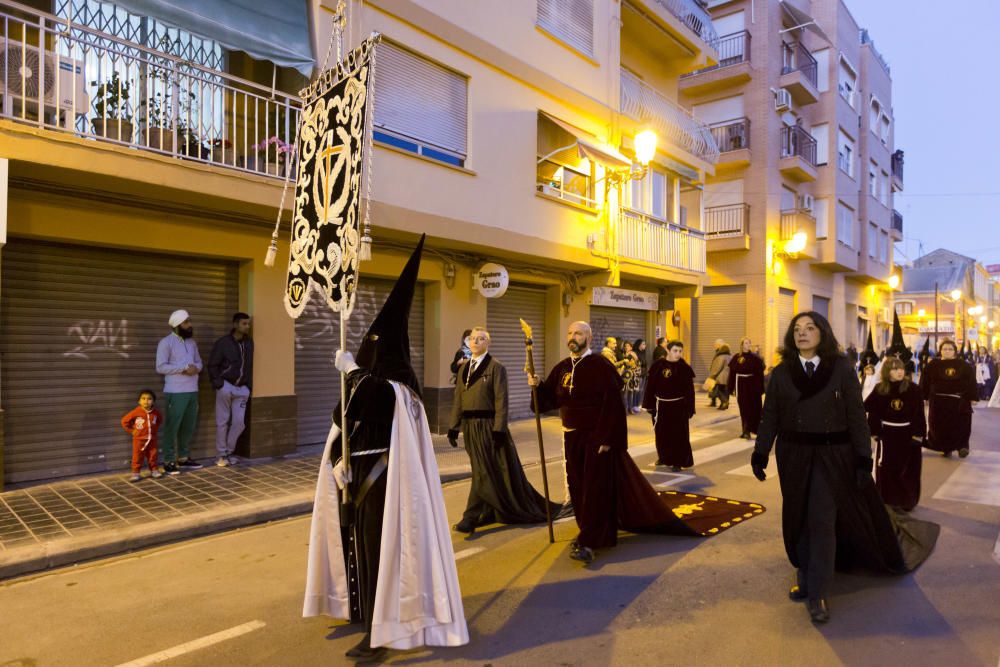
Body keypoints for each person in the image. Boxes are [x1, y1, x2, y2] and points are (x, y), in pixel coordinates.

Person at [303, 236, 467, 661]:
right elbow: (344, 417)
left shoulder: (401, 386)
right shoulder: (370, 381)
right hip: (355, 476)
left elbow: (379, 401)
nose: (366, 354)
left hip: (385, 481)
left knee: (381, 552)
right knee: (356, 545)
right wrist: (338, 460)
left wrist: (355, 372)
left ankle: (382, 633)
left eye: (372, 349)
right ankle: (360, 608)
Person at [750, 311, 939, 624]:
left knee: (822, 519)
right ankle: (805, 573)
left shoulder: (840, 368)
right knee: (797, 515)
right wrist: (760, 452)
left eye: (810, 328)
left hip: (833, 455)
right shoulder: (782, 373)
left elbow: (855, 416)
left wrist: (864, 458)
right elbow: (770, 415)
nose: (802, 333)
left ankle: (818, 591)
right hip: (793, 455)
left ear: (823, 333)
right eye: (797, 329)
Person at [528, 322, 766, 564]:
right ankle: (585, 528)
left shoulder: (600, 365)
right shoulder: (563, 368)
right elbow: (547, 400)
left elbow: (613, 406)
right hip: (571, 437)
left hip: (595, 437)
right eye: (569, 333)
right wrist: (536, 387)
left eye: (578, 333)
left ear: (588, 338)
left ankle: (591, 541)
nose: (572, 337)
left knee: (595, 490)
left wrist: (608, 438)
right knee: (578, 486)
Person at [447, 327, 561, 534]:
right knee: (484, 469)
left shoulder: (496, 367)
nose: (475, 342)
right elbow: (458, 399)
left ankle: (470, 517)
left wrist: (499, 429)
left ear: (487, 343)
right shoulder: (464, 368)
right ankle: (490, 510)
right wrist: (453, 427)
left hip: (489, 426)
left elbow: (501, 400)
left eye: (480, 339)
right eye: (472, 339)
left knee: (482, 471)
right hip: (470, 428)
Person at [864, 358, 926, 512]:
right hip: (888, 435)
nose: (899, 371)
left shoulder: (913, 389)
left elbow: (919, 414)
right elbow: (872, 411)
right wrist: (875, 431)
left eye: (900, 368)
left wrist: (918, 435)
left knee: (908, 469)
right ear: (887, 372)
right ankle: (888, 499)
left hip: (908, 434)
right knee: (887, 468)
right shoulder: (880, 389)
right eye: (894, 369)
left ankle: (907, 500)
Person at [156, 310, 204, 475]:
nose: (190, 325)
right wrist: (183, 369)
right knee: (172, 426)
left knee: (188, 427)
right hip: (175, 392)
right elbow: (160, 367)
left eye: (189, 321)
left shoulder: (192, 343)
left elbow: (199, 362)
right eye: (186, 322)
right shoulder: (166, 343)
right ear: (177, 325)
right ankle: (169, 460)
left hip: (192, 391)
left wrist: (196, 368)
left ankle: (183, 458)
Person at [208, 312, 254, 467]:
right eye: (244, 324)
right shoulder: (223, 343)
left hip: (242, 390)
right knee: (222, 422)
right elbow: (212, 365)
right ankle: (221, 455)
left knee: (239, 423)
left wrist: (248, 386)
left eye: (248, 324)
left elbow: (248, 366)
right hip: (226, 387)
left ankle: (228, 451)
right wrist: (219, 384)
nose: (247, 327)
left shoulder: (249, 343)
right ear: (235, 324)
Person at [920, 339, 979, 459]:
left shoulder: (963, 365)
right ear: (940, 351)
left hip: (959, 401)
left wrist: (973, 397)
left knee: (961, 425)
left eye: (950, 349)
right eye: (944, 349)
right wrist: (923, 396)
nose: (947, 351)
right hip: (938, 402)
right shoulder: (933, 365)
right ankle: (944, 448)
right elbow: (924, 382)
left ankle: (962, 446)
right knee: (939, 427)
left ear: (955, 351)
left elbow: (972, 381)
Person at [642, 340, 695, 471]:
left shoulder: (684, 368)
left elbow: (689, 390)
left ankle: (678, 461)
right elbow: (650, 387)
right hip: (661, 405)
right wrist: (649, 404)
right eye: (675, 351)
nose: (678, 354)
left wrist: (690, 408)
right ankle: (664, 457)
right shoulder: (658, 366)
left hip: (678, 406)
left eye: (680, 351)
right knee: (661, 433)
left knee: (678, 435)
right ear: (668, 351)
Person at [120, 389, 163, 482]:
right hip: (139, 439)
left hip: (152, 439)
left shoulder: (156, 413)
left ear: (153, 401)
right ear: (139, 401)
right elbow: (124, 421)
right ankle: (136, 473)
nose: (146, 401)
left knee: (153, 455)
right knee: (137, 456)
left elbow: (159, 420)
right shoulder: (136, 412)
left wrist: (154, 429)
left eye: (149, 399)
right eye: (143, 398)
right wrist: (132, 431)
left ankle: (154, 470)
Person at [728, 337, 765, 440]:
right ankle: (745, 430)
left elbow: (760, 374)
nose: (748, 344)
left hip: (752, 385)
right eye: (746, 343)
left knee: (753, 408)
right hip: (741, 385)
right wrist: (730, 388)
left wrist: (760, 389)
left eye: (749, 343)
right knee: (743, 408)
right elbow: (732, 374)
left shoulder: (755, 358)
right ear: (742, 345)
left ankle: (755, 429)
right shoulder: (737, 357)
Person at [706, 340, 731, 409]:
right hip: (728, 377)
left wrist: (712, 375)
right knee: (724, 391)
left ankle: (725, 402)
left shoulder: (720, 356)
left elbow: (717, 367)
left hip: (720, 377)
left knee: (718, 391)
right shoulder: (730, 356)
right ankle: (723, 404)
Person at [621, 340, 640, 412]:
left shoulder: (633, 354)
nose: (626, 347)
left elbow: (636, 362)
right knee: (625, 393)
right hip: (625, 376)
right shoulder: (622, 354)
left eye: (628, 346)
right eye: (625, 346)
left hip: (632, 376)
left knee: (631, 393)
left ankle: (630, 408)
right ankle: (625, 409)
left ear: (631, 347)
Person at [631, 339, 649, 414]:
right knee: (637, 390)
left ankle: (639, 404)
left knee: (641, 390)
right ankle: (635, 405)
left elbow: (644, 362)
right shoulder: (635, 353)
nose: (645, 346)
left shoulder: (643, 352)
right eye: (643, 344)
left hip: (644, 373)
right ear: (639, 345)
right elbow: (638, 363)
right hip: (638, 374)